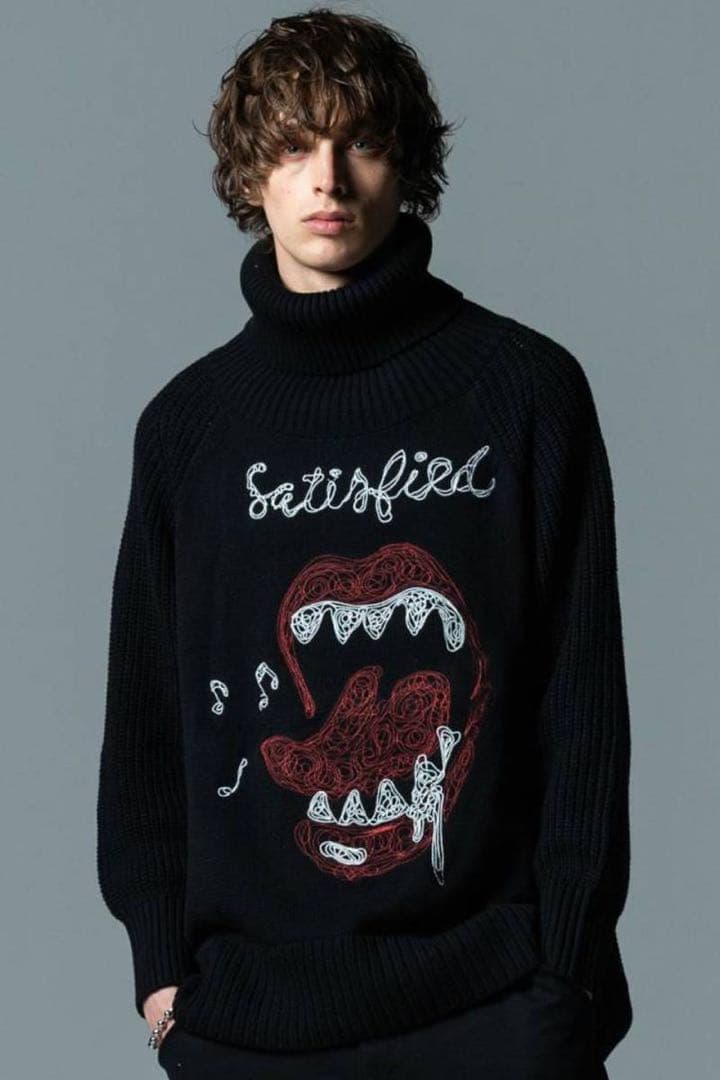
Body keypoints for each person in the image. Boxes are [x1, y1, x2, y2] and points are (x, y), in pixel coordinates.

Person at [96, 7, 632, 1078]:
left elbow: (580, 702)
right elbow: (148, 715)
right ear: (250, 173)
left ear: (409, 166)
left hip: (493, 1007)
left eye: (363, 143)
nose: (328, 179)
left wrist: (566, 972)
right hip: (247, 1026)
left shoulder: (524, 392)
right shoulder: (189, 430)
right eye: (294, 146)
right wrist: (163, 977)